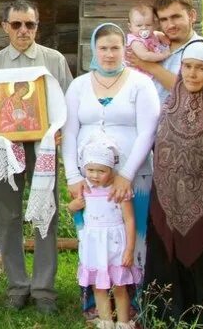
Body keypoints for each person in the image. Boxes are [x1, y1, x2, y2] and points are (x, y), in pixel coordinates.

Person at [0, 0, 72, 314]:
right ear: (5, 27)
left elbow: (68, 103)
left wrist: (59, 128)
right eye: (16, 24)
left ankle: (44, 290)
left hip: (42, 147)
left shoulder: (53, 60)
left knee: (46, 215)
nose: (23, 30)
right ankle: (17, 286)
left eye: (29, 24)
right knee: (8, 216)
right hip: (6, 147)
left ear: (36, 26)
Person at [62, 23, 159, 320]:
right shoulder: (79, 85)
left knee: (132, 238)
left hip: (133, 177)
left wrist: (126, 173)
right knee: (94, 238)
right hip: (90, 181)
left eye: (115, 47)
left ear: (124, 49)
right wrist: (73, 176)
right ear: (94, 50)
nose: (109, 54)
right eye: (103, 48)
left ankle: (135, 308)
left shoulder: (140, 84)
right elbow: (69, 131)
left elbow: (148, 130)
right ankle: (97, 306)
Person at [144, 39, 203, 326]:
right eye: (187, 66)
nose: (192, 74)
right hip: (166, 197)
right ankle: (165, 315)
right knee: (166, 255)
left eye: (201, 68)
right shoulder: (171, 101)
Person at [68, 139, 140, 329]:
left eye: (101, 171)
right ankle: (106, 321)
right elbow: (76, 214)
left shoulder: (118, 190)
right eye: (90, 170)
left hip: (115, 244)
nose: (95, 175)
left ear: (111, 169)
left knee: (119, 285)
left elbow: (130, 220)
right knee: (98, 286)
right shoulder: (84, 190)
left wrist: (129, 250)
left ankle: (124, 322)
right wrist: (72, 207)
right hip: (93, 244)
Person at [127, 0, 201, 104]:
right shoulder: (155, 41)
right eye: (163, 19)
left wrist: (148, 66)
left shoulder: (202, 50)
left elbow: (187, 92)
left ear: (191, 16)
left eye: (176, 17)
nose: (170, 25)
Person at [124, 4, 169, 77]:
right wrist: (163, 55)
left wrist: (164, 38)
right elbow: (145, 56)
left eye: (148, 25)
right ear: (130, 27)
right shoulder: (135, 41)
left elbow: (157, 33)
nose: (144, 28)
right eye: (139, 25)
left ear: (154, 25)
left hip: (152, 69)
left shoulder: (151, 34)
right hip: (139, 73)